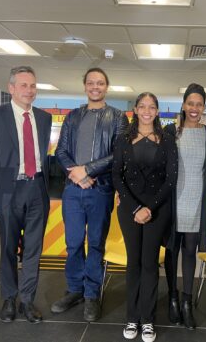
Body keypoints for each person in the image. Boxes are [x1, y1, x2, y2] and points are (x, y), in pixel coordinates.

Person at [52, 68, 128, 321]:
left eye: (101, 83)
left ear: (107, 87)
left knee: (95, 244)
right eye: (91, 83)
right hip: (73, 191)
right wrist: (76, 174)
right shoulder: (73, 116)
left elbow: (119, 154)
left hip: (101, 189)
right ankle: (75, 290)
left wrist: (88, 170)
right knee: (73, 243)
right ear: (84, 86)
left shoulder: (118, 118)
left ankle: (92, 295)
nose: (96, 87)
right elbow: (61, 151)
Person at [0, 66, 52, 323]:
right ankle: (9, 298)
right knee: (9, 247)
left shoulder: (44, 118)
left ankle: (27, 301)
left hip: (37, 189)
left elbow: (43, 155)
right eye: (24, 85)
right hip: (9, 188)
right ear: (11, 88)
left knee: (33, 249)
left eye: (33, 86)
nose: (29, 91)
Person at [112, 92, 178, 342]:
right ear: (136, 110)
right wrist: (135, 208)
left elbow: (171, 180)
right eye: (142, 106)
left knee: (150, 264)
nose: (147, 111)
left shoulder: (167, 140)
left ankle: (148, 320)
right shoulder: (122, 140)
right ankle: (132, 317)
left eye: (152, 107)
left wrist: (149, 208)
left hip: (157, 210)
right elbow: (116, 176)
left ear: (157, 111)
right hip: (129, 209)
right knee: (133, 263)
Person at [163, 83, 206, 330]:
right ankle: (172, 297)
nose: (194, 108)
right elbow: (157, 166)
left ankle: (186, 301)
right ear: (183, 105)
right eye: (190, 103)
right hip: (173, 202)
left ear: (204, 107)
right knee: (172, 250)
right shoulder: (170, 131)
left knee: (190, 252)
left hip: (197, 202)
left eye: (199, 104)